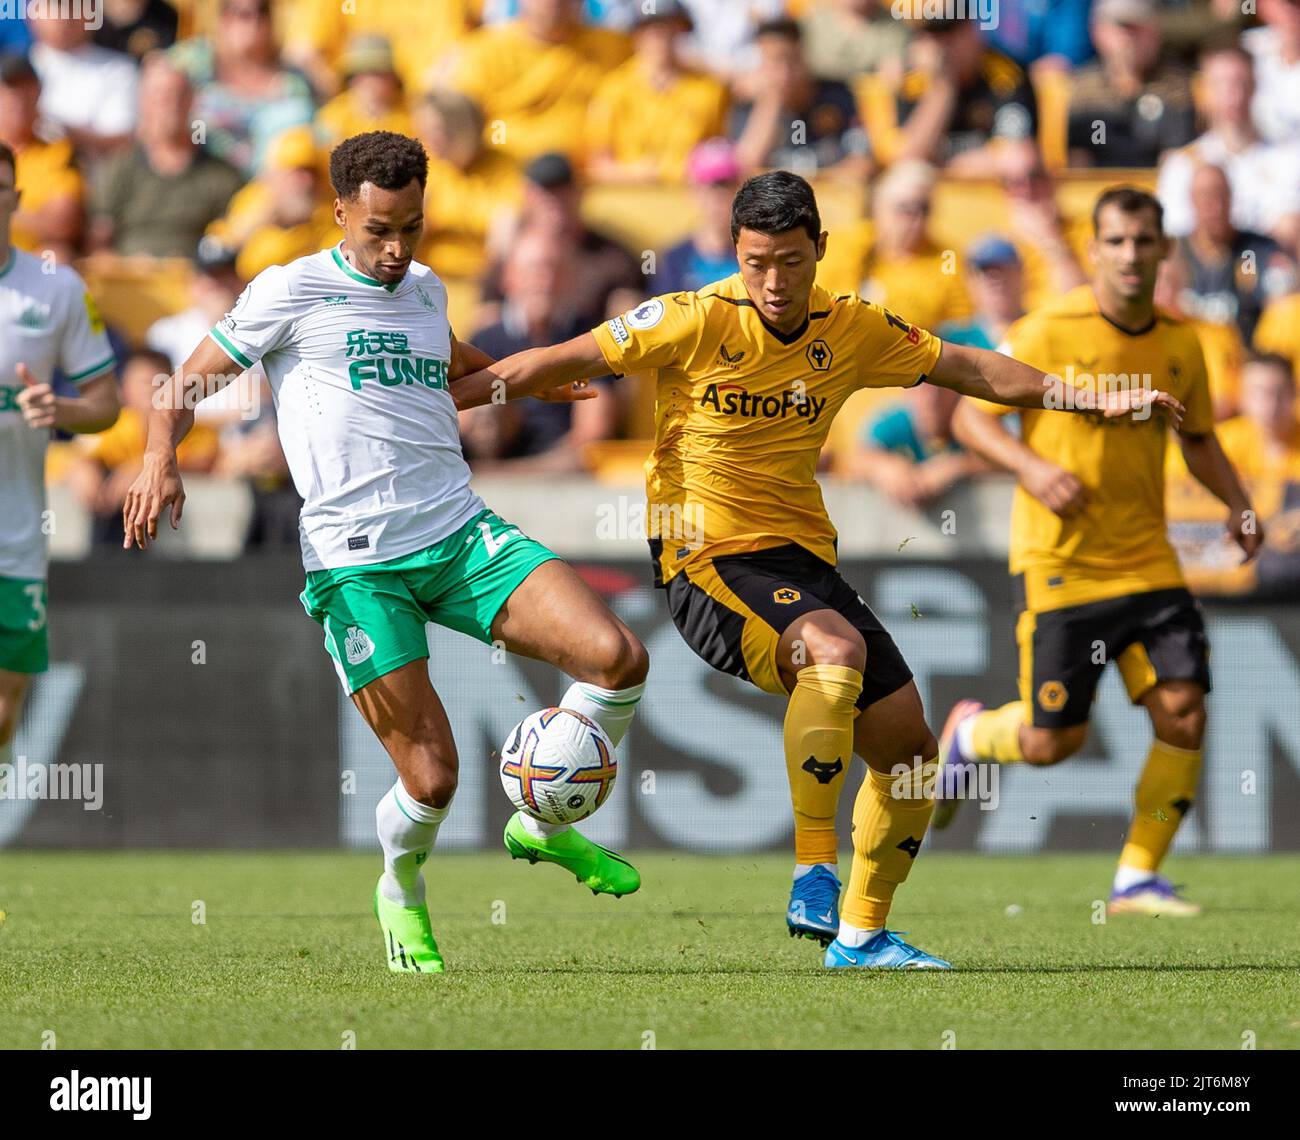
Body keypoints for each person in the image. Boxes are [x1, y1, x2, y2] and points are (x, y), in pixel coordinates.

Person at [447, 170, 1181, 969]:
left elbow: (970, 371)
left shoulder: (854, 327)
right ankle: (813, 869)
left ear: (821, 250)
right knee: (833, 652)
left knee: (911, 755)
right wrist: (447, 392)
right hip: (707, 561)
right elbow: (556, 357)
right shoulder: (693, 318)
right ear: (735, 251)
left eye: (790, 262)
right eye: (756, 261)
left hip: (802, 558)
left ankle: (862, 937)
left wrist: (1087, 399)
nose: (772, 280)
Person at [122, 131, 649, 975]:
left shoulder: (427, 287)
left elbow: (453, 369)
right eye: (379, 230)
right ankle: (400, 890)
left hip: (458, 532)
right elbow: (178, 386)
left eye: (413, 226)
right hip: (357, 565)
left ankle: (540, 821)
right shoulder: (289, 290)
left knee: (618, 656)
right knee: (433, 777)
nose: (398, 249)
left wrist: (528, 377)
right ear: (340, 213)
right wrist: (160, 456)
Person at [941, 187, 1259, 918]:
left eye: (1144, 241)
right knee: (1054, 741)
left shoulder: (1185, 343)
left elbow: (1201, 439)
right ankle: (969, 737)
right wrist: (1031, 467)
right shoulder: (1048, 329)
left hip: (1149, 561)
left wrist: (1238, 504)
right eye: (1114, 241)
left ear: (1164, 251)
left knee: (1184, 710)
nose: (1129, 255)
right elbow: (970, 419)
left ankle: (1136, 878)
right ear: (1092, 251)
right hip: (1063, 562)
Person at [0, 140, 119, 782]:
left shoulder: (55, 288)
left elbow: (105, 405)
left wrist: (59, 410)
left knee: (2, 709)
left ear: (16, 200)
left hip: (16, 533)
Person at [461, 229, 619, 472]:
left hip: (561, 472)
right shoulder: (485, 340)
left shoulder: (592, 340)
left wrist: (522, 472)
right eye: (535, 271)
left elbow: (593, 433)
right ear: (509, 278)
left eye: (555, 270)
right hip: (491, 466)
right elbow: (461, 422)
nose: (545, 282)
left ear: (571, 279)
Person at [89, 55, 243, 258]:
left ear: (192, 101)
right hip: (128, 281)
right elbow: (97, 245)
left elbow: (231, 245)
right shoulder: (119, 168)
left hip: (194, 280)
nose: (170, 105)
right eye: (160, 96)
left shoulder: (220, 176)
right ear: (143, 102)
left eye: (178, 95)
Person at [442, 0, 630, 165]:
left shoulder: (614, 46)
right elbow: (460, 120)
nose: (555, 2)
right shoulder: (486, 50)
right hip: (508, 177)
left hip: (588, 179)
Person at [1156, 39, 1300, 248]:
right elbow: (1176, 242)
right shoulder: (1182, 167)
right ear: (1203, 90)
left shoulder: (1291, 157)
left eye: (1241, 82)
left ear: (1255, 86)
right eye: (1221, 84)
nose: (1234, 95)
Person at [480, 151, 644, 328]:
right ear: (527, 195)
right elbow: (486, 320)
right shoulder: (511, 256)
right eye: (545, 191)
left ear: (579, 193)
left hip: (588, 352)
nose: (554, 199)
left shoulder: (613, 259)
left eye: (562, 190)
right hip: (519, 351)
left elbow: (630, 331)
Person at [868, 17, 1037, 176]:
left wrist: (938, 166)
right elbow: (904, 161)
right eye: (933, 35)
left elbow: (1018, 158)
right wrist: (942, 88)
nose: (943, 45)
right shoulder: (906, 83)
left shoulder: (1004, 74)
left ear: (973, 31)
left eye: (950, 31)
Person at [584, 0, 728, 185]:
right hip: (629, 198)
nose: (661, 37)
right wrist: (636, 173)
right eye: (652, 30)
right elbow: (598, 164)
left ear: (681, 30)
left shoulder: (708, 90)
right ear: (636, 35)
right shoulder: (613, 89)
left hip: (688, 199)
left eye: (669, 28)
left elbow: (719, 158)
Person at [169, 0, 315, 177]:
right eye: (239, 11)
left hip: (264, 187)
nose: (252, 20)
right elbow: (156, 89)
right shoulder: (194, 62)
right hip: (198, 177)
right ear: (222, 18)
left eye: (261, 11)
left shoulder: (292, 81)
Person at [730, 18, 869, 179]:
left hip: (833, 197)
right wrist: (770, 102)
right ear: (758, 66)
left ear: (805, 56)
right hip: (777, 201)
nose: (785, 73)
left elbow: (862, 164)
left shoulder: (838, 95)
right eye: (774, 62)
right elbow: (744, 168)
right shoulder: (747, 106)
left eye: (792, 60)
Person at [1172, 163, 1294, 343]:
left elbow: (1273, 295)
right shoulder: (1174, 254)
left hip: (1245, 357)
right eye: (1207, 196)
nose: (1216, 206)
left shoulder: (1250, 252)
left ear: (1231, 198)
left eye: (1222, 195)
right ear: (1191, 200)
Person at [1066, 0, 1197, 167]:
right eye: (1123, 27)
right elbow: (1080, 163)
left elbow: (1175, 162)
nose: (1130, 38)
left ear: (1157, 32)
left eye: (1140, 26)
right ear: (1098, 32)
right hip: (1098, 189)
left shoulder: (1175, 86)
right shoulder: (1084, 88)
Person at [0, 53, 83, 262]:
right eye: (12, 90)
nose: (20, 99)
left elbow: (61, 224)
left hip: (31, 259)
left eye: (28, 90)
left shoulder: (59, 152)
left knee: (56, 257)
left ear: (39, 95)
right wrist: (32, 217)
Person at [655, 139, 740, 295]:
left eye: (726, 185)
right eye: (708, 187)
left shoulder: (754, 252)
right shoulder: (675, 260)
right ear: (692, 192)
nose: (717, 197)